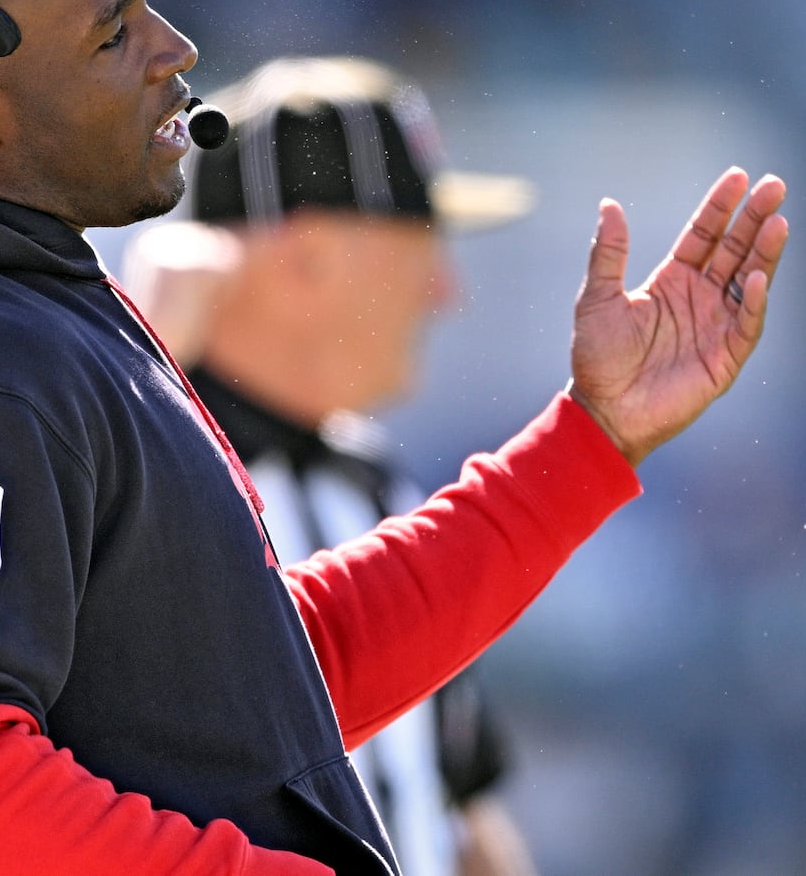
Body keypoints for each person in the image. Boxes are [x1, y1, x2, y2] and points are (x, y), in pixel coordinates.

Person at [0, 0, 789, 875]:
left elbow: (262, 682)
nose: (175, 48)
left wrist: (588, 440)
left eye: (146, 3)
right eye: (113, 33)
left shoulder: (23, 313)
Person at [119, 55, 542, 876]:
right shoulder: (130, 475)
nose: (445, 291)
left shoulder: (378, 480)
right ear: (309, 254)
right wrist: (144, 347)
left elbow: (457, 806)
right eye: (420, 244)